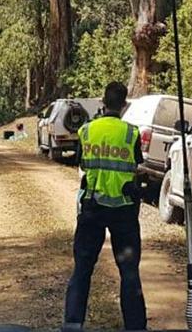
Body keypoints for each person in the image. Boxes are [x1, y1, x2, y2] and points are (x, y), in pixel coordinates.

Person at [63, 82, 146, 332]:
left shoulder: (87, 131)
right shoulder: (131, 133)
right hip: (124, 210)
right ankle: (135, 327)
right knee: (129, 272)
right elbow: (136, 165)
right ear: (124, 104)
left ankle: (73, 323)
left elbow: (82, 163)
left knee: (83, 268)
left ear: (102, 102)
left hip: (93, 208)